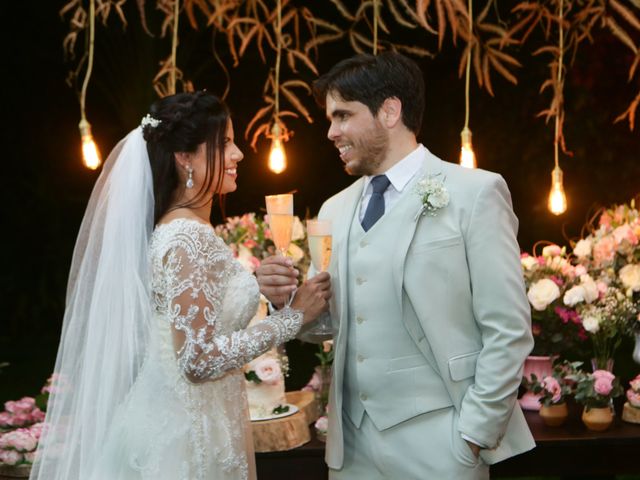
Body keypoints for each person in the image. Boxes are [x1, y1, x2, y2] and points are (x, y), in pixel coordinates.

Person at [258, 52, 535, 479]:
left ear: (390, 111)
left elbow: (509, 329)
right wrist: (287, 305)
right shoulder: (335, 209)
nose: (331, 132)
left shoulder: (473, 193)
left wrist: (473, 435)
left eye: (343, 116)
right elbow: (326, 328)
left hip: (442, 445)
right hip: (352, 451)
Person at [29, 91, 331, 480]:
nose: (238, 154)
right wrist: (293, 318)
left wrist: (256, 286)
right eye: (224, 143)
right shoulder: (188, 237)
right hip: (185, 435)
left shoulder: (181, 228)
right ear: (184, 157)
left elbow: (200, 318)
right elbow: (197, 360)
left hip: (187, 417)